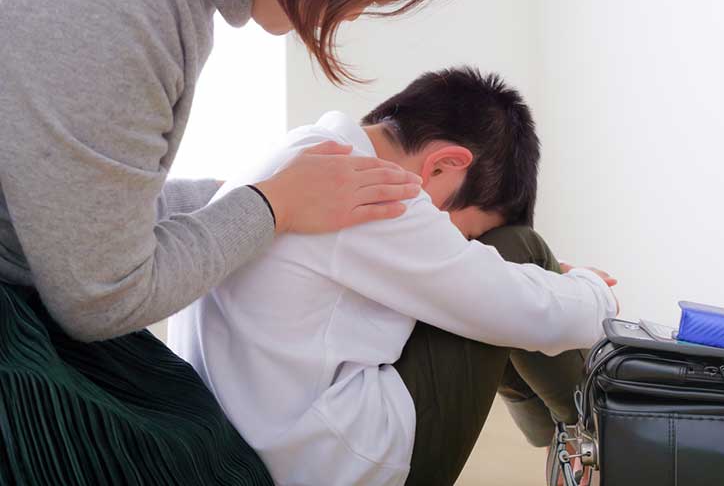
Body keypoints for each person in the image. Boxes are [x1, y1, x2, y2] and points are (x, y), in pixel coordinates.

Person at [0, 0, 485, 483]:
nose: (353, 14)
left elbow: (81, 203)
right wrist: (270, 203)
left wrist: (256, 190)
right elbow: (104, 294)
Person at [169, 67, 620, 486]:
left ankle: (575, 438)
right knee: (517, 248)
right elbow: (517, 308)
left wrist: (531, 282)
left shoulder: (305, 152)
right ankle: (603, 448)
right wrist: (597, 292)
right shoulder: (371, 190)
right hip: (325, 467)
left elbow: (477, 287)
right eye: (467, 233)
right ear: (444, 165)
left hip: (258, 445)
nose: (461, 245)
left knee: (504, 283)